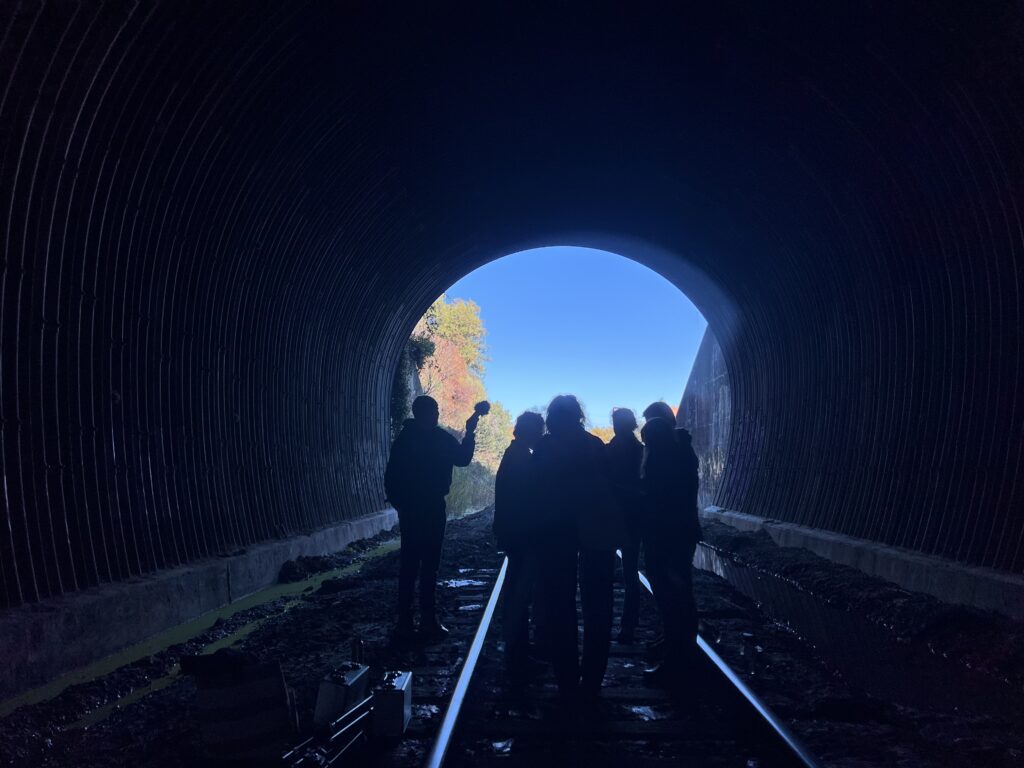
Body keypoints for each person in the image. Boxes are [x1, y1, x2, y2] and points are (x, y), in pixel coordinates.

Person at [534, 394, 623, 703]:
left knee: (560, 606)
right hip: (597, 534)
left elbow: (535, 493)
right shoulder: (594, 446)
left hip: (555, 536)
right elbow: (612, 489)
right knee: (598, 606)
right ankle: (593, 679)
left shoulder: (544, 448)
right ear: (579, 416)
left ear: (551, 418)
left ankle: (567, 679)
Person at [384, 395, 488, 641]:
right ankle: (426, 620)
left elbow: (391, 476)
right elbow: (462, 459)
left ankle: (407, 622)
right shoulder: (439, 439)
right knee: (428, 565)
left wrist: (401, 505)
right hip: (430, 508)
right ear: (426, 413)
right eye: (435, 411)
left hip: (412, 510)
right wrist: (470, 433)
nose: (437, 415)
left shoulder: (404, 439)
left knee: (411, 565)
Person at [638, 404, 701, 686]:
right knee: (680, 593)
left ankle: (677, 659)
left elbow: (655, 497)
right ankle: (680, 650)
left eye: (647, 441)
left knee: (671, 595)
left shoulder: (662, 458)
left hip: (664, 535)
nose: (645, 445)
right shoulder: (681, 451)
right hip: (681, 532)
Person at [494, 411, 546, 683]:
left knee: (518, 593)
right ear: (529, 431)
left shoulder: (514, 454)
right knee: (519, 594)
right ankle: (517, 655)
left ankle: (518, 652)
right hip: (523, 536)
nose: (542, 435)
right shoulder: (522, 458)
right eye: (539, 430)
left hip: (515, 534)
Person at [606, 408, 644, 643]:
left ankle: (604, 621)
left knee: (605, 572)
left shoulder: (608, 451)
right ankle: (628, 626)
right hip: (635, 517)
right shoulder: (641, 451)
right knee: (631, 572)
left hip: (609, 517)